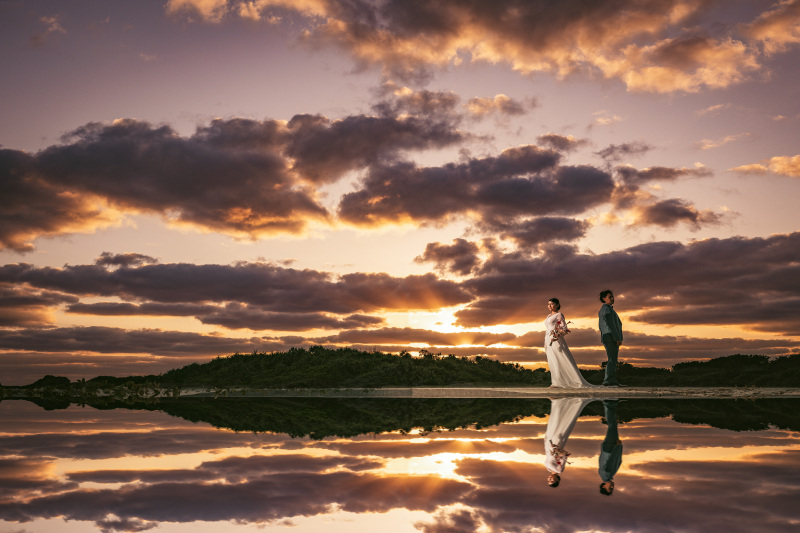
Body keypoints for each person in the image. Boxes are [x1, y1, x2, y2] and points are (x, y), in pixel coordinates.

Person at [544, 397, 596, 487]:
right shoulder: (559, 470)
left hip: (548, 447)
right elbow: (564, 456)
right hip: (556, 445)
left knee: (552, 426)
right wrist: (557, 450)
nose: (550, 479)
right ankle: (566, 403)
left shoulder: (549, 469)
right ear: (557, 480)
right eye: (552, 481)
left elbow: (550, 457)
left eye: (548, 481)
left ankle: (557, 402)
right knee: (558, 426)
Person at [545, 298, 594, 388]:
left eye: (552, 304)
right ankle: (555, 382)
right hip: (548, 339)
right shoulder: (548, 316)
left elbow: (564, 329)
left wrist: (557, 336)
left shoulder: (559, 315)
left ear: (557, 305)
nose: (550, 306)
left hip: (556, 340)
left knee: (560, 359)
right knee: (552, 360)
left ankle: (561, 382)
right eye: (548, 304)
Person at [597, 290, 623, 387]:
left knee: (612, 359)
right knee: (612, 359)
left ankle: (610, 380)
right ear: (604, 299)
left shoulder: (604, 309)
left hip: (607, 336)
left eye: (612, 297)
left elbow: (601, 326)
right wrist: (617, 338)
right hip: (610, 336)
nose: (612, 298)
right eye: (610, 297)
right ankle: (609, 380)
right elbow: (611, 325)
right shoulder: (607, 309)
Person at [598, 399, 623, 496]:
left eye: (610, 488)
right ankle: (610, 405)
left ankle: (608, 404)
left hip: (610, 448)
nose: (612, 487)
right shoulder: (607, 476)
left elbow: (611, 459)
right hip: (609, 448)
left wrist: (617, 447)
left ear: (604, 486)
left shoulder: (606, 476)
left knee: (612, 425)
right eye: (612, 489)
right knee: (612, 425)